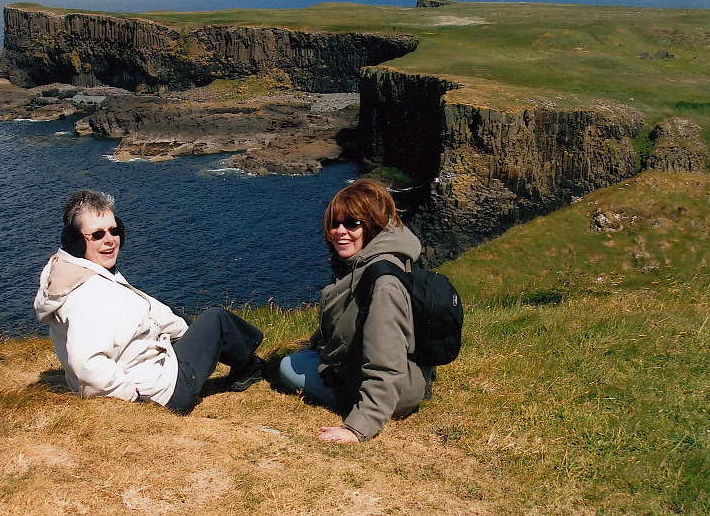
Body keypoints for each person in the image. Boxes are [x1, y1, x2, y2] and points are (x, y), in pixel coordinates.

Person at [34, 189, 265, 412]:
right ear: (75, 240)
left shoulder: (69, 271)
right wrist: (134, 396)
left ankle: (239, 349)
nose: (110, 240)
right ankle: (250, 367)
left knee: (165, 310)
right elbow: (87, 365)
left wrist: (184, 331)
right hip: (163, 392)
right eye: (97, 235)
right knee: (217, 319)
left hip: (141, 371)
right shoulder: (88, 297)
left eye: (114, 230)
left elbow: (149, 312)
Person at [279, 179, 431, 443]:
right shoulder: (362, 264)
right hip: (396, 376)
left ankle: (359, 403)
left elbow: (387, 364)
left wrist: (359, 426)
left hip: (396, 393)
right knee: (300, 360)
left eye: (353, 223)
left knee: (288, 368)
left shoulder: (383, 283)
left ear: (372, 225)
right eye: (334, 224)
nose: (340, 232)